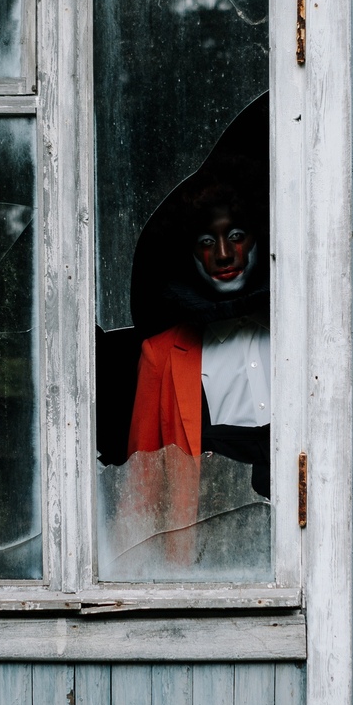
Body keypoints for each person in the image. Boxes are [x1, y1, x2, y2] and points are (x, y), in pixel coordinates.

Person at [126, 173, 271, 497]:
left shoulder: (304, 335)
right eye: (206, 242)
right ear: (187, 253)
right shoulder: (161, 355)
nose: (224, 254)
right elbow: (142, 488)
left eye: (236, 236)